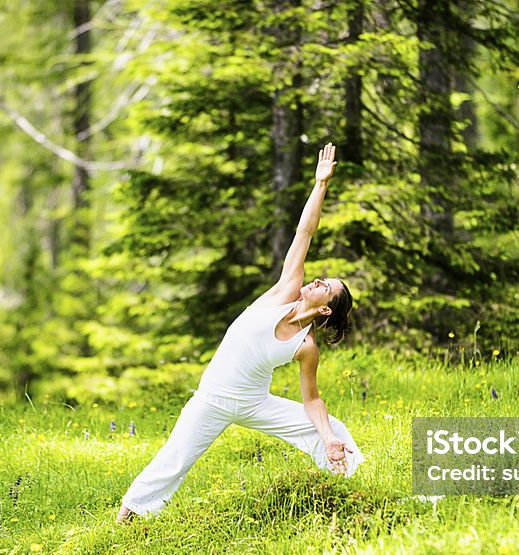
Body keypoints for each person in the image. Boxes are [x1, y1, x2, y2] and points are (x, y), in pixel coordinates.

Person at [117, 142, 363, 522]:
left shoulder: (306, 346)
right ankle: (128, 518)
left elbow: (312, 400)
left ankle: (353, 492)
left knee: (334, 429)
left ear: (326, 308)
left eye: (324, 286)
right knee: (175, 458)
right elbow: (304, 232)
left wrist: (328, 436)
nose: (315, 281)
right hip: (213, 396)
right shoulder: (286, 290)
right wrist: (320, 185)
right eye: (320, 278)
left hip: (254, 402)